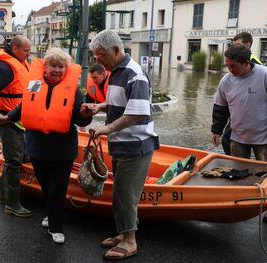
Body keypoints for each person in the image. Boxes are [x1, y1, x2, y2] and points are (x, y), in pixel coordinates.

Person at [0, 48, 93, 244]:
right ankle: (52, 213)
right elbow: (24, 107)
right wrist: (5, 118)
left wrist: (85, 114)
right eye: (53, 66)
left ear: (66, 69)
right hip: (37, 147)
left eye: (61, 67)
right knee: (47, 187)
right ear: (45, 67)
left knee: (57, 188)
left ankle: (56, 227)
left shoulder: (73, 90)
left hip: (62, 150)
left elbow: (80, 120)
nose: (57, 70)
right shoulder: (35, 85)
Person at [86, 30, 159, 260]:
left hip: (135, 146)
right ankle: (123, 232)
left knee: (125, 195)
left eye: (100, 56)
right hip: (121, 144)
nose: (98, 61)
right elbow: (121, 103)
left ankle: (130, 242)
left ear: (116, 50)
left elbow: (137, 113)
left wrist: (106, 129)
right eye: (95, 57)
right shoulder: (115, 72)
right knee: (120, 193)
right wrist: (99, 107)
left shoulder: (134, 73)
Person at [211, 45, 267, 224]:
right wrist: (216, 129)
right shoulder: (226, 81)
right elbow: (220, 108)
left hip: (265, 136)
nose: (229, 69)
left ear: (246, 63)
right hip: (238, 135)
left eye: (233, 66)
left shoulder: (266, 75)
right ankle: (241, 204)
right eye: (227, 65)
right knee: (238, 173)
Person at [0, 35, 33, 218]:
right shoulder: (3, 65)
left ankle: (5, 197)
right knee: (13, 161)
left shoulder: (20, 62)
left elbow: (25, 87)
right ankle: (12, 204)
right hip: (6, 118)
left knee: (14, 158)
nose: (28, 54)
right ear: (16, 48)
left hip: (18, 117)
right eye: (26, 51)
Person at [220, 32, 265, 156]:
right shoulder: (229, 74)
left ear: (248, 45)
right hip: (238, 113)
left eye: (238, 45)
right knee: (228, 141)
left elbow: (254, 91)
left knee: (229, 140)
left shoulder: (255, 64)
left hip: (251, 116)